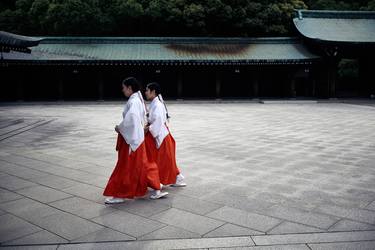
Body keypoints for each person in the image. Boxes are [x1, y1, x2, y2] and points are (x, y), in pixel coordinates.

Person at [103, 77, 168, 204]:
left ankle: (120, 193)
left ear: (129, 88)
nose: (122, 90)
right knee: (141, 165)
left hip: (132, 140)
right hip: (137, 138)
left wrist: (120, 128)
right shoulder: (137, 100)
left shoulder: (134, 101)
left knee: (125, 167)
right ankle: (157, 186)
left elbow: (132, 118)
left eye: (123, 87)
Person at [144, 82, 186, 187]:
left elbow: (158, 121)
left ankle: (170, 178)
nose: (145, 92)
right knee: (167, 160)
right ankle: (176, 177)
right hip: (160, 134)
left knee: (163, 161)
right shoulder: (156, 103)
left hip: (160, 135)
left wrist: (148, 128)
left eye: (147, 90)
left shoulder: (157, 105)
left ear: (153, 92)